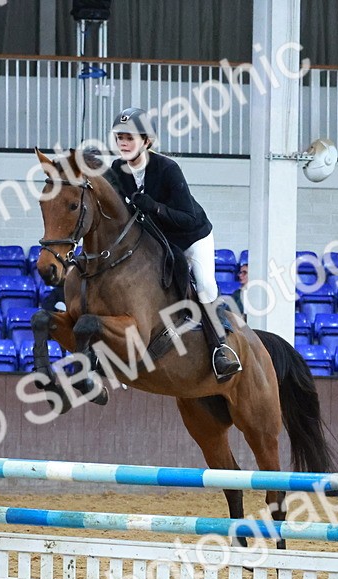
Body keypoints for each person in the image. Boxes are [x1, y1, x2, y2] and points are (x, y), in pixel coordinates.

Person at [107, 106, 242, 381]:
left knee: (204, 285)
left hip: (192, 236)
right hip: (159, 239)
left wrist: (155, 208)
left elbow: (187, 217)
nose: (123, 142)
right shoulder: (117, 170)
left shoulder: (167, 168)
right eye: (120, 137)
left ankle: (221, 348)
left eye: (129, 138)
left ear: (146, 141)